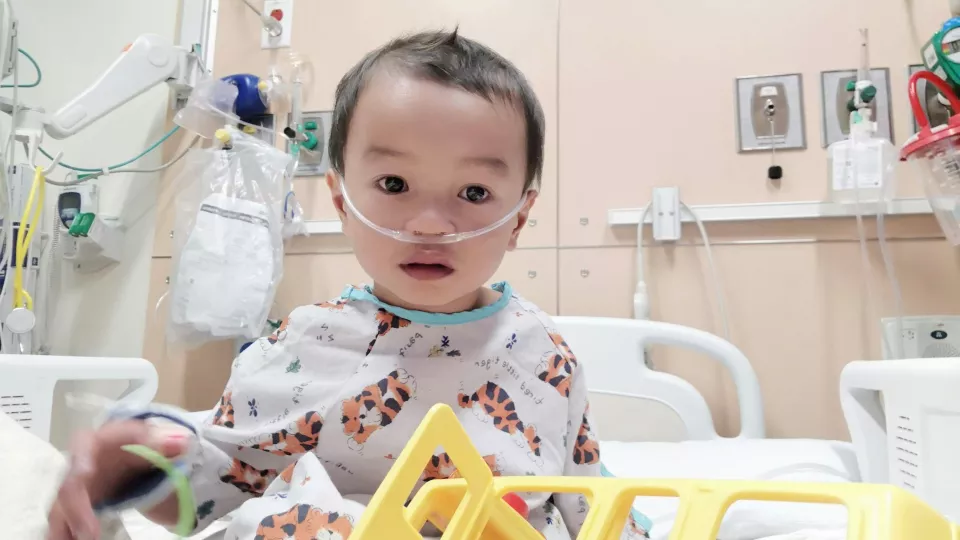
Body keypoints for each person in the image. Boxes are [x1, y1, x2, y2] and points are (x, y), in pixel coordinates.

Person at [46, 29, 651, 540]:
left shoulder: (545, 358)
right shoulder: (301, 346)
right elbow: (219, 487)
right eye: (394, 185)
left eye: (473, 194)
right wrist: (139, 464)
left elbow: (589, 502)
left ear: (516, 219)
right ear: (340, 200)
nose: (429, 224)